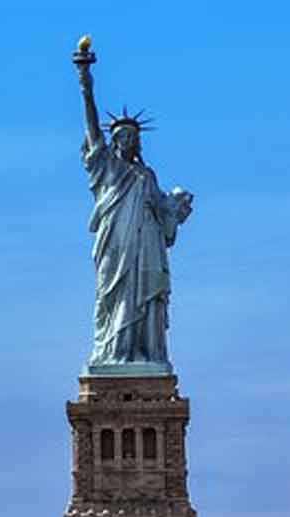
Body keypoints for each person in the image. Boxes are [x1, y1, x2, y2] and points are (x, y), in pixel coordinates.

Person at [74, 43, 193, 369]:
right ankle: (114, 352)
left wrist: (177, 211)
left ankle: (145, 354)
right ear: (113, 142)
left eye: (131, 137)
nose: (126, 142)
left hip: (147, 245)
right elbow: (91, 127)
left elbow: (165, 217)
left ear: (137, 142)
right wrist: (86, 83)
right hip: (116, 243)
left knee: (146, 296)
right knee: (114, 297)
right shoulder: (107, 168)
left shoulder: (146, 175)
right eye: (121, 137)